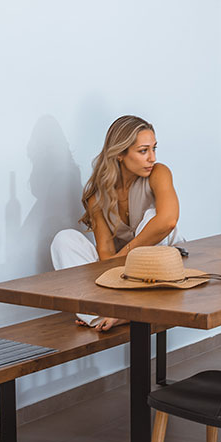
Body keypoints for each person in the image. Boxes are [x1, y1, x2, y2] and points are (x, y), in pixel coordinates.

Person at [50, 115, 181, 331]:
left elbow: (168, 221)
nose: (152, 158)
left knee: (151, 218)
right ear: (120, 153)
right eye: (143, 151)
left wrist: (123, 257)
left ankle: (126, 312)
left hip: (164, 265)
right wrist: (118, 264)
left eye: (154, 149)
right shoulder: (97, 193)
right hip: (123, 270)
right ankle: (100, 315)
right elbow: (105, 252)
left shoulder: (159, 172)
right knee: (64, 239)